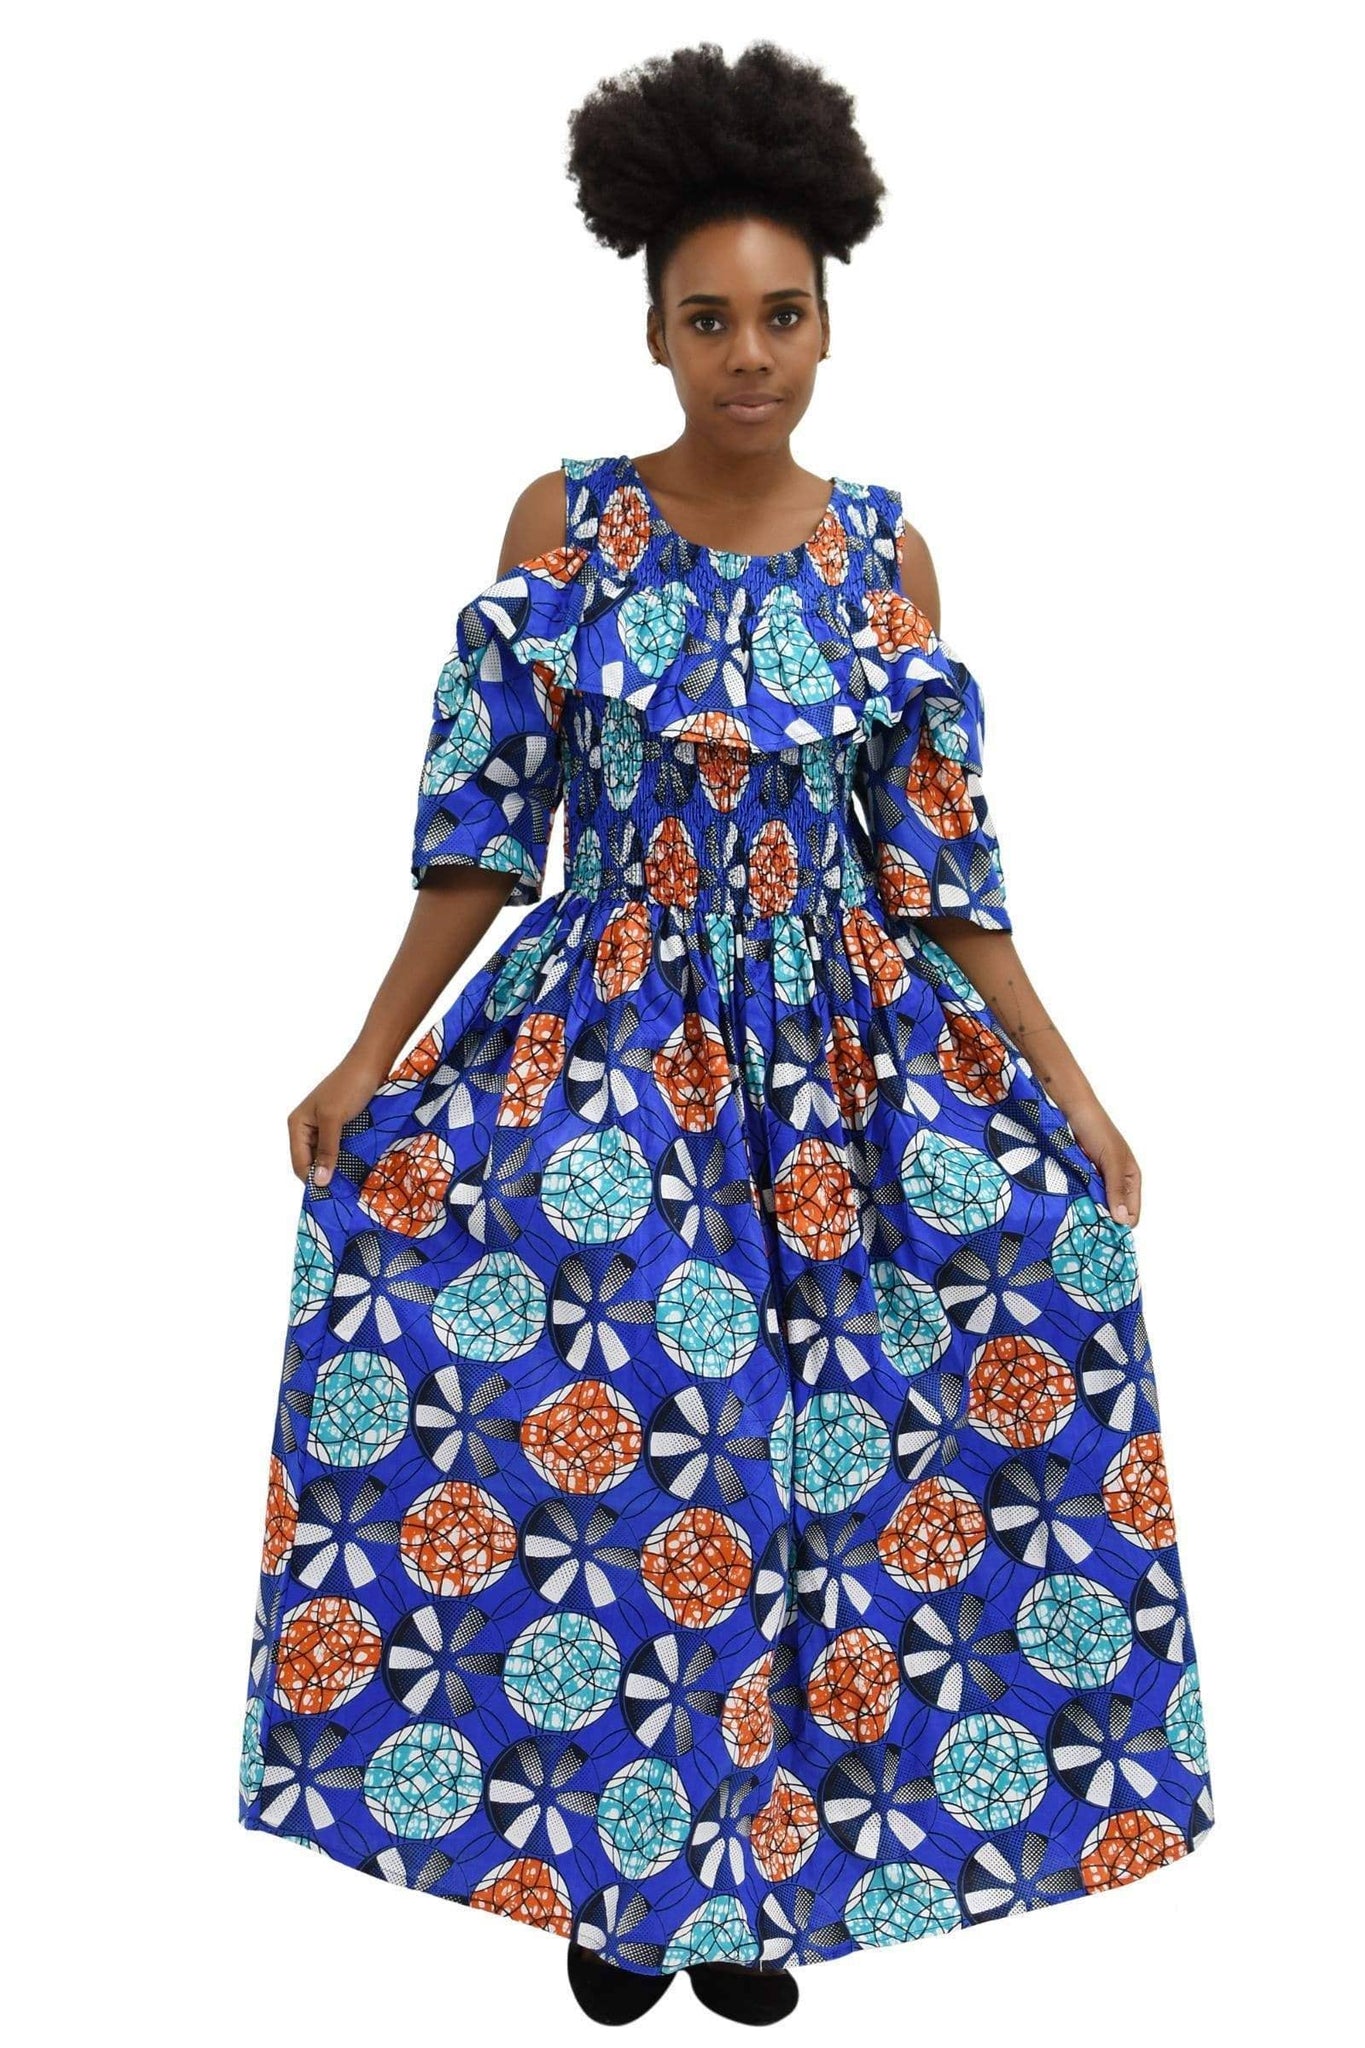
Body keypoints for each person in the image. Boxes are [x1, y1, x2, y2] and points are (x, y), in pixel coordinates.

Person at [237, 38, 1215, 2032]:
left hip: (850, 1078)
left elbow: (941, 879)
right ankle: (622, 1882)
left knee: (828, 1479)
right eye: (707, 319)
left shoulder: (882, 556)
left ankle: (760, 1888)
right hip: (603, 1064)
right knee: (628, 1470)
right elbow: (483, 837)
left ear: (828, 325)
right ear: (652, 330)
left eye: (780, 316)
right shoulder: (567, 528)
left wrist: (1073, 1096)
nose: (746, 356)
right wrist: (364, 1057)